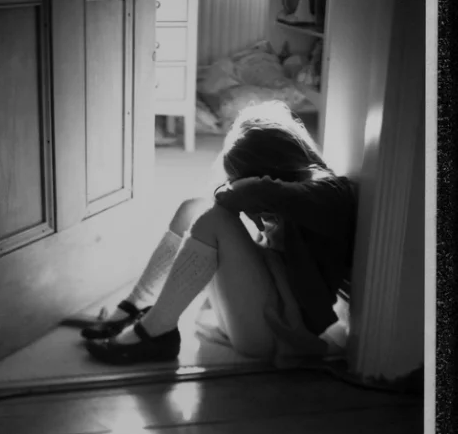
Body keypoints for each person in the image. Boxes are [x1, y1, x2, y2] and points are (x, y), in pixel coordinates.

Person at [83, 101, 356, 367]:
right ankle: (136, 305)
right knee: (193, 208)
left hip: (279, 332)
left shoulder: (329, 191)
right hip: (254, 317)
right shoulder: (293, 192)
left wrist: (240, 192)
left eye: (242, 177)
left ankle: (156, 330)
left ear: (271, 169)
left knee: (216, 218)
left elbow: (246, 193)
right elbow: (235, 194)